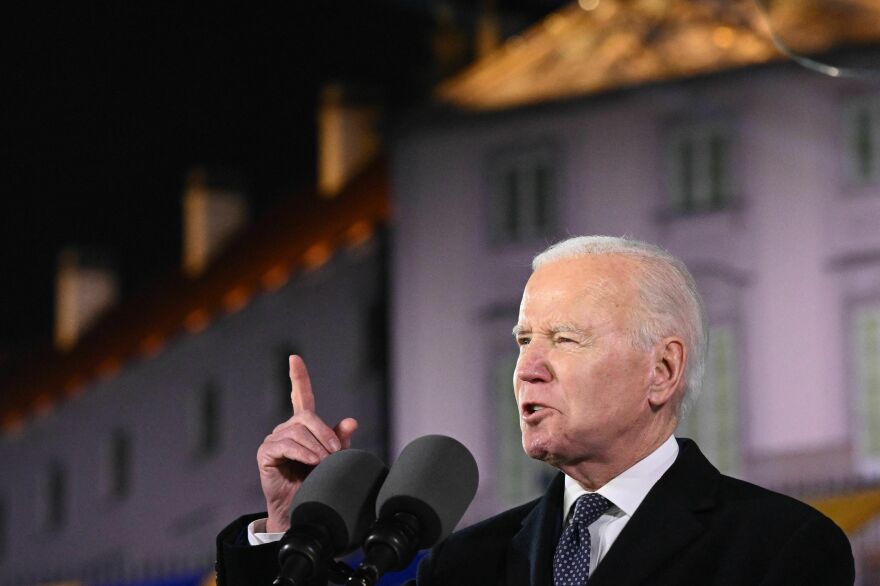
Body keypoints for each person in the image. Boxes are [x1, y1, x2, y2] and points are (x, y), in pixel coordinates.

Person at [215, 235, 854, 585]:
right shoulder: (462, 567)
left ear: (661, 371)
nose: (527, 367)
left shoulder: (781, 550)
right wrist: (285, 529)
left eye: (564, 339)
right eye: (524, 340)